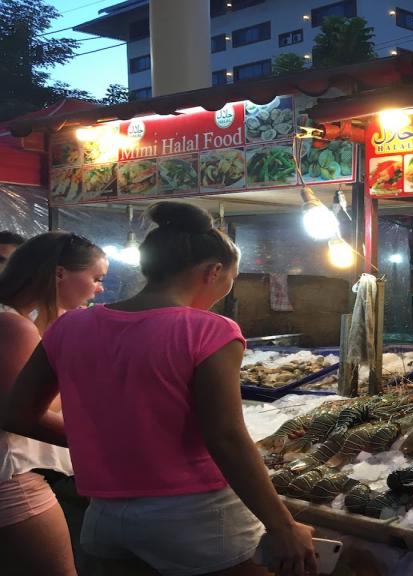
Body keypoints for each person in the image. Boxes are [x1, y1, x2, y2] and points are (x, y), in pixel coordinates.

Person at [2, 202, 317, 576]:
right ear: (213, 271)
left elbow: (17, 414)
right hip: (196, 516)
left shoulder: (70, 327)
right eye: (230, 278)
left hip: (105, 516)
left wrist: (103, 442)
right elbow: (226, 436)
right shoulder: (210, 329)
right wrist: (282, 525)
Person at [0, 231, 108, 576]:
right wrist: (107, 445)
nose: (99, 289)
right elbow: (19, 417)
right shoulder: (13, 325)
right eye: (96, 278)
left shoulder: (18, 319)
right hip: (11, 477)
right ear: (59, 273)